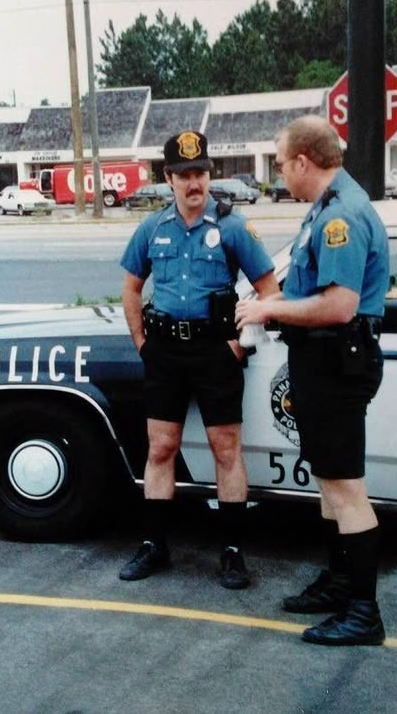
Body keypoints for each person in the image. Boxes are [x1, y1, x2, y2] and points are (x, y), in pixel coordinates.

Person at [236, 116, 390, 645]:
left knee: (346, 488)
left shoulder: (339, 217)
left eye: (280, 164)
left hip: (335, 364)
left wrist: (265, 313)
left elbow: (339, 305)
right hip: (321, 363)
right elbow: (310, 292)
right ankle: (341, 583)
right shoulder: (322, 211)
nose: (279, 175)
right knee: (329, 482)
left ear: (303, 161)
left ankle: (364, 613)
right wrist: (268, 304)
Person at [119, 130, 279, 588]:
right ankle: (154, 545)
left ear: (211, 175)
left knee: (225, 450)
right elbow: (131, 288)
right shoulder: (152, 229)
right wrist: (142, 344)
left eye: (201, 173)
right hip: (165, 351)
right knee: (161, 447)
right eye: (185, 174)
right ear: (168, 178)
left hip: (215, 351)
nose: (195, 183)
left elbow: (269, 291)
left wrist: (236, 344)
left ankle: (231, 552)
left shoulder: (232, 226)